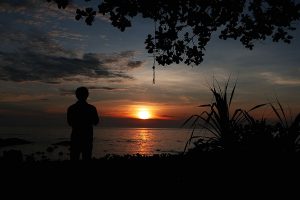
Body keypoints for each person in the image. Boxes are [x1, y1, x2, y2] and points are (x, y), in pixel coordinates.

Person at [67, 87, 99, 161]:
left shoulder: (71, 108)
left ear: (76, 95)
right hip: (87, 138)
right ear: (87, 95)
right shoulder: (91, 108)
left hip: (75, 137)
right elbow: (96, 122)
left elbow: (69, 123)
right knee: (87, 158)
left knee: (74, 158)